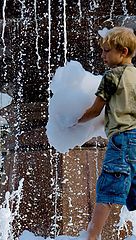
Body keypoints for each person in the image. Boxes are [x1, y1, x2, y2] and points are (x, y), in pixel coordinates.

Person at [75, 26, 136, 239]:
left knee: (108, 189)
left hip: (122, 140)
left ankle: (92, 236)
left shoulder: (112, 76)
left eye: (107, 51)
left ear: (123, 52)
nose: (102, 55)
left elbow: (95, 109)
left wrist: (74, 121)